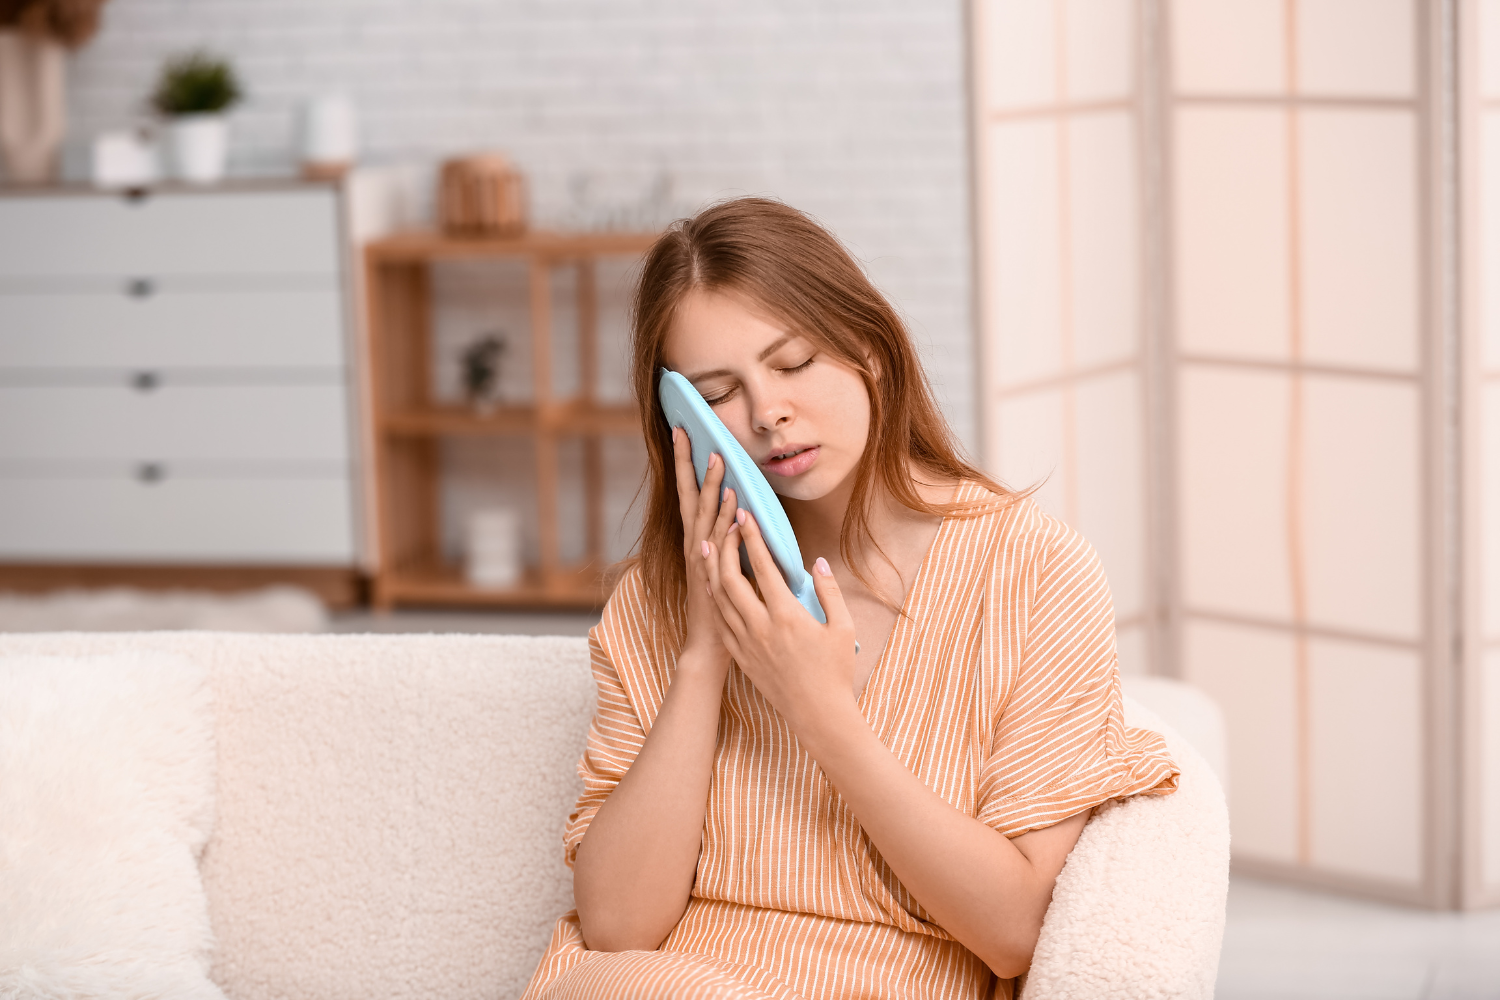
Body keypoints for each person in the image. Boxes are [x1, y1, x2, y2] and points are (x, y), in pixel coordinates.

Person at [520, 198, 1178, 1000]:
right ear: (681, 424)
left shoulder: (1036, 572)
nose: (768, 414)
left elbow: (1014, 935)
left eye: (794, 363)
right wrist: (705, 654)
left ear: (867, 346)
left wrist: (818, 707)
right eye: (719, 393)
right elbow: (619, 929)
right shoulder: (659, 599)